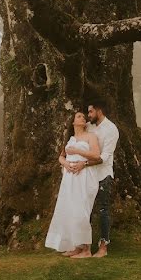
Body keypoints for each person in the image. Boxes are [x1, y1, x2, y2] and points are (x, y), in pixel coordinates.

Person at [63, 99, 119, 258]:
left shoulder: (111, 129)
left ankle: (103, 246)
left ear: (99, 110)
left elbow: (104, 158)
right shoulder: (89, 126)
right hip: (86, 175)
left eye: (90, 112)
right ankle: (80, 245)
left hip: (102, 174)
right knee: (82, 210)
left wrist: (84, 163)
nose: (88, 116)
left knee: (102, 209)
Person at [44, 111, 101, 255]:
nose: (83, 118)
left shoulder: (90, 136)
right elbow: (61, 157)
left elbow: (96, 155)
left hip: (85, 176)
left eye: (84, 116)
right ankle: (77, 246)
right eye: (79, 116)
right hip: (69, 178)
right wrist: (65, 164)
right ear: (73, 122)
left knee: (81, 211)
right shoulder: (70, 139)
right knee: (70, 210)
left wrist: (78, 152)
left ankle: (87, 249)